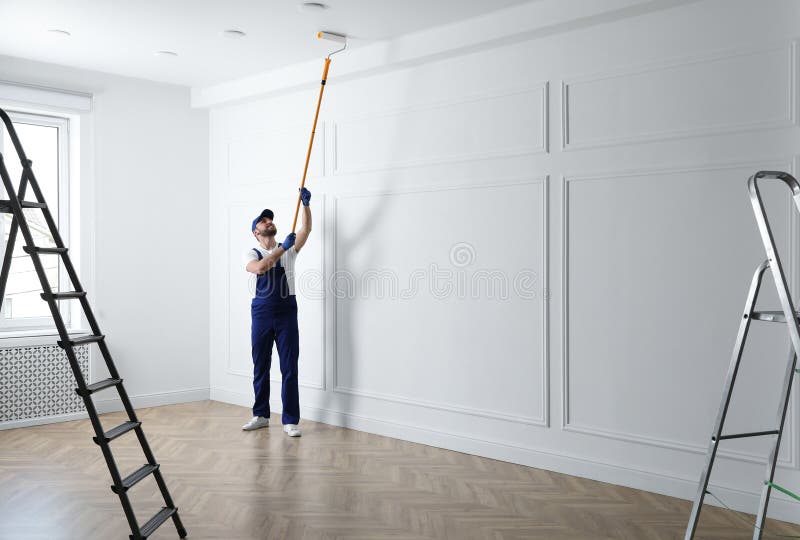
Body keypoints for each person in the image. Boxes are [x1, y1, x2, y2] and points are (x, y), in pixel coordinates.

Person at [241, 187, 312, 437]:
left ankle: (290, 420)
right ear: (256, 231)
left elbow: (306, 231)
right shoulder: (252, 253)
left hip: (286, 314)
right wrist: (282, 250)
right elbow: (260, 268)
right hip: (261, 314)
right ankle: (260, 415)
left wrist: (305, 206)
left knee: (289, 367)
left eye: (269, 219)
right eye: (263, 220)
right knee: (260, 366)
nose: (268, 221)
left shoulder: (289, 249)